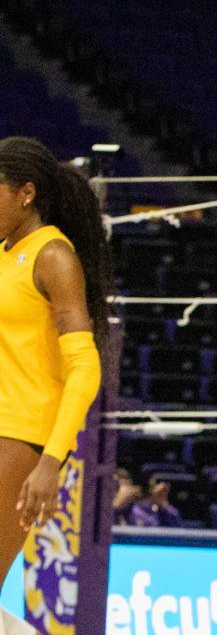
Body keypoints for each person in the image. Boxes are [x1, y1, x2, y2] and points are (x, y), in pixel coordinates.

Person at [0, 136, 109, 589]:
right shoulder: (4, 253)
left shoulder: (54, 256)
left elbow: (85, 366)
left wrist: (51, 460)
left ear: (25, 194)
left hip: (23, 436)